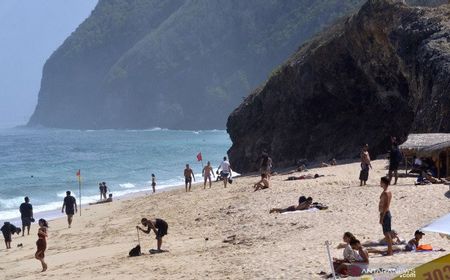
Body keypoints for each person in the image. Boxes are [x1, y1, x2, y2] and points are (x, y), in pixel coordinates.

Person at [379, 176, 393, 256]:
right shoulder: (387, 191)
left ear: (384, 183)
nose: (380, 183)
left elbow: (386, 206)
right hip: (385, 213)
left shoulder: (386, 193)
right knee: (386, 233)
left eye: (381, 182)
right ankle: (389, 250)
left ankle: (390, 251)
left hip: (385, 213)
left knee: (387, 234)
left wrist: (382, 217)